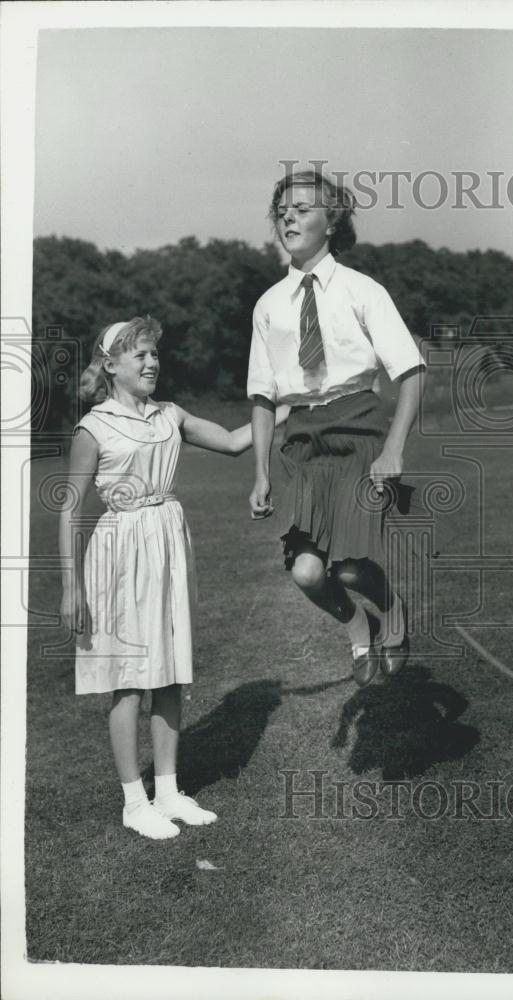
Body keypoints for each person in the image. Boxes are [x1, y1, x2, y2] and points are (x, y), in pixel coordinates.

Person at [59, 316, 288, 840]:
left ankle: (167, 790)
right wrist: (72, 587)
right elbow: (69, 511)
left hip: (167, 543)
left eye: (154, 354)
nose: (151, 362)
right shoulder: (93, 427)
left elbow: (234, 441)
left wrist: (290, 403)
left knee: (168, 672)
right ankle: (134, 802)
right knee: (129, 680)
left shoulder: (171, 415)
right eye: (138, 355)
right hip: (118, 552)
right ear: (111, 364)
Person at [247, 169, 425, 687]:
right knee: (307, 573)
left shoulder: (361, 290)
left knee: (348, 567)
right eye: (282, 210)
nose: (288, 216)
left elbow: (411, 371)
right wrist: (260, 472)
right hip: (302, 440)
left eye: (303, 208)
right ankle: (357, 623)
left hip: (360, 431)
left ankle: (390, 608)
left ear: (333, 220)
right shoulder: (268, 305)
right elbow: (262, 395)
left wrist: (393, 449)